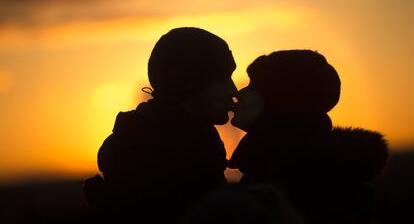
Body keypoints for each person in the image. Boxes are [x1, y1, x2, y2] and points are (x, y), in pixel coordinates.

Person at [84, 27, 237, 222]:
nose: (233, 91)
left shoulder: (190, 144)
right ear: (190, 83)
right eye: (222, 79)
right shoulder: (152, 161)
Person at [229, 50, 388, 224]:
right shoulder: (283, 167)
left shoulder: (309, 186)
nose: (239, 94)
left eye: (254, 87)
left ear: (282, 99)